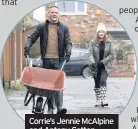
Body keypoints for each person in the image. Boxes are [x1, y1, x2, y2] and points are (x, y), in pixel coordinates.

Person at [24, 5, 72, 114]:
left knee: (58, 84)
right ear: (48, 14)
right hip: (46, 60)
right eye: (52, 12)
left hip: (59, 60)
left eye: (56, 12)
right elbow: (32, 38)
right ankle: (50, 108)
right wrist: (27, 47)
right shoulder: (42, 27)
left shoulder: (64, 28)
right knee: (48, 85)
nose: (54, 14)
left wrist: (68, 52)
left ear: (58, 15)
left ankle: (59, 108)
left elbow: (68, 42)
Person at [88, 23, 114, 107]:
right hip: (95, 66)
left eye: (103, 32)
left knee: (103, 81)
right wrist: (93, 62)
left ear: (105, 33)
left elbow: (111, 55)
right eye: (99, 32)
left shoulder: (109, 42)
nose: (101, 33)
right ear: (97, 33)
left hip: (105, 66)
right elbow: (90, 53)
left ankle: (103, 99)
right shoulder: (92, 42)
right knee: (97, 82)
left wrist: (102, 61)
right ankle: (98, 100)